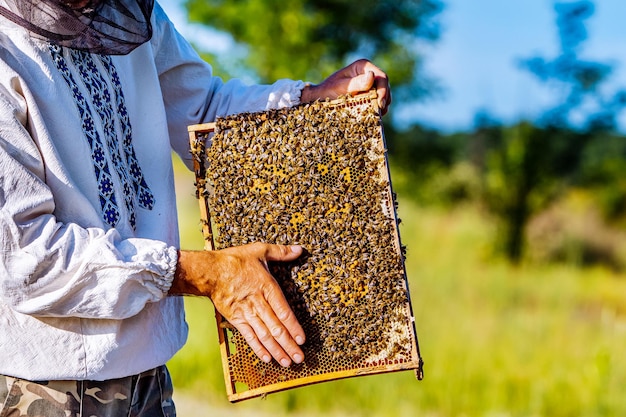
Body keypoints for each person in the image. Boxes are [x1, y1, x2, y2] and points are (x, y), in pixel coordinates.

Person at [0, 0, 391, 415]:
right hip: (50, 387)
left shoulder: (130, 10)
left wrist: (313, 98)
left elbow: (202, 115)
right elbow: (30, 256)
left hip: (149, 377)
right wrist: (209, 273)